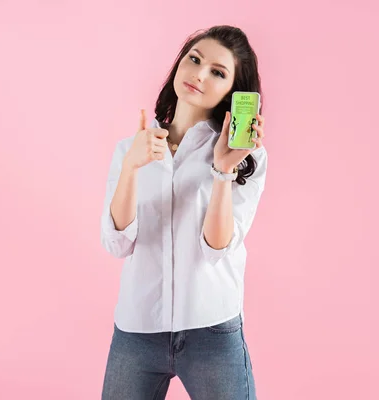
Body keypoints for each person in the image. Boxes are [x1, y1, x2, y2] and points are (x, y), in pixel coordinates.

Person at [100, 25, 268, 400]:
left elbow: (216, 248)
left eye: (218, 72)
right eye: (194, 59)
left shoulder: (247, 157)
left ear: (233, 92)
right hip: (137, 328)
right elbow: (117, 243)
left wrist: (223, 169)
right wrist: (131, 168)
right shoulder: (132, 147)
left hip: (211, 330)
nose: (199, 74)